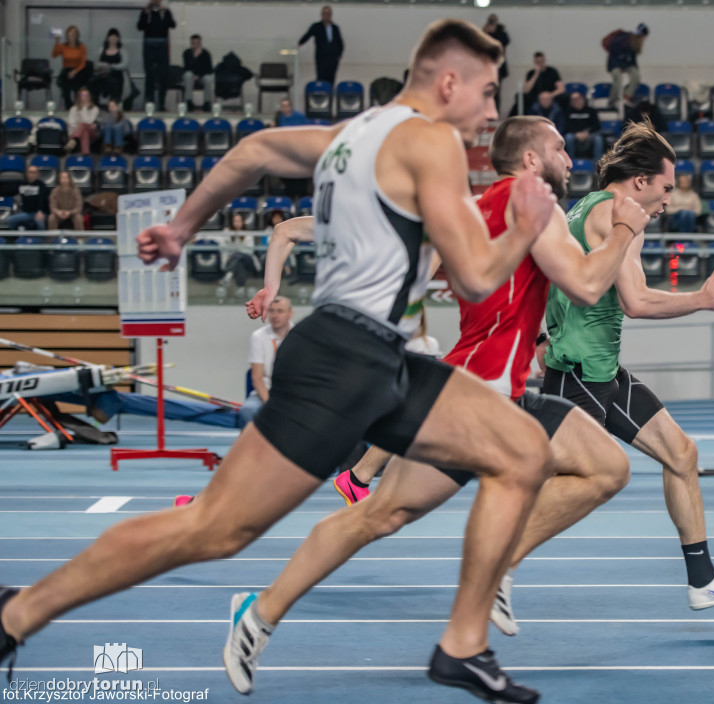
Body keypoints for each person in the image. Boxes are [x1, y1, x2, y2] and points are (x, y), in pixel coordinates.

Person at [0, 19, 560, 704]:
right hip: (344, 361)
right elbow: (476, 277)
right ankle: (17, 613)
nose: (492, 111)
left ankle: (462, 646)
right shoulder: (432, 138)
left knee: (523, 451)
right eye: (486, 91)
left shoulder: (355, 135)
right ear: (449, 82)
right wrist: (526, 229)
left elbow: (254, 149)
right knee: (213, 530)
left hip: (381, 357)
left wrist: (183, 226)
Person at [233, 114, 648, 694]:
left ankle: (260, 613)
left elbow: (384, 259)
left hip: (482, 392)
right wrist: (625, 230)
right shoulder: (534, 203)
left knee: (383, 515)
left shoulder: (469, 211)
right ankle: (469, 623)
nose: (569, 157)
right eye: (558, 148)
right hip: (478, 398)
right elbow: (584, 284)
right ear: (529, 160)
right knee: (580, 470)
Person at [542, 120, 714, 619]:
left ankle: (703, 581)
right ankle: (495, 563)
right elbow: (638, 301)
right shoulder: (616, 214)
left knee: (681, 453)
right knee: (567, 482)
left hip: (599, 369)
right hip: (579, 373)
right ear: (640, 181)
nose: (669, 200)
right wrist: (703, 299)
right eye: (666, 188)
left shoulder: (589, 206)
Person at [239, 295, 294, 426]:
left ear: (290, 314)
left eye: (280, 311)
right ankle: (253, 446)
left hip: (293, 394)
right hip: (265, 392)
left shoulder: (300, 335)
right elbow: (257, 378)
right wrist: (271, 405)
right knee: (247, 411)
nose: (275, 315)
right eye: (271, 310)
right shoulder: (258, 337)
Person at [137, 0, 176, 111]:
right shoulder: (146, 12)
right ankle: (150, 103)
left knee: (163, 75)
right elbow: (140, 26)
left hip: (162, 44)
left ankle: (161, 104)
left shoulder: (165, 11)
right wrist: (145, 14)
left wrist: (165, 13)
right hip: (149, 44)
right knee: (149, 75)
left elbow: (172, 25)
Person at [605, 23, 648, 109]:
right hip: (615, 63)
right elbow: (612, 48)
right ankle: (612, 102)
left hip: (626, 64)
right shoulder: (624, 38)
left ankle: (627, 94)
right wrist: (620, 62)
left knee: (636, 76)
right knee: (618, 80)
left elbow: (633, 60)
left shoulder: (635, 44)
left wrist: (634, 68)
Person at [299, 5, 344, 85]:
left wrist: (339, 54)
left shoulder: (335, 28)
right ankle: (320, 95)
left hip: (333, 59)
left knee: (331, 79)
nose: (327, 15)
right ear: (321, 14)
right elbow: (307, 36)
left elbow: (340, 42)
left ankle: (330, 95)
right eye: (325, 13)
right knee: (321, 79)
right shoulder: (316, 26)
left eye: (328, 14)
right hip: (321, 59)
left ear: (331, 15)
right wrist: (299, 44)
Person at [51, 25, 88, 110]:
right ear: (67, 34)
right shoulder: (63, 46)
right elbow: (54, 55)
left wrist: (74, 72)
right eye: (71, 32)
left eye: (75, 33)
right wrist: (56, 42)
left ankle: (78, 107)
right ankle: (68, 107)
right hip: (66, 70)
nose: (73, 34)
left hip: (79, 70)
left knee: (77, 87)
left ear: (77, 35)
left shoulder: (82, 46)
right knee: (65, 87)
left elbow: (83, 63)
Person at [6, 166, 49, 231]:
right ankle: (13, 239)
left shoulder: (41, 185)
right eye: (31, 172)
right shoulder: (22, 184)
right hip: (26, 213)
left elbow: (42, 199)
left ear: (37, 174)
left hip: (38, 213)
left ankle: (42, 239)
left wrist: (40, 211)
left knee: (40, 222)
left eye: (35, 172)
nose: (33, 174)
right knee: (9, 220)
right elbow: (10, 191)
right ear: (27, 174)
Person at [91, 28, 128, 103]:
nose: (113, 39)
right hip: (102, 77)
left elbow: (124, 65)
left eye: (115, 37)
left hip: (116, 78)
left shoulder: (122, 51)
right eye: (111, 37)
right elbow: (95, 64)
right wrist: (102, 65)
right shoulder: (101, 50)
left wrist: (111, 66)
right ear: (108, 38)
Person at [482, 14, 510, 111]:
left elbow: (504, 42)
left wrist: (494, 32)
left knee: (496, 91)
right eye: (490, 19)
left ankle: (495, 111)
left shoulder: (502, 33)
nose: (491, 21)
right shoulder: (485, 31)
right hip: (486, 65)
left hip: (498, 66)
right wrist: (485, 31)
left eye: (493, 20)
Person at [564, 91, 602, 159]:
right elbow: (566, 126)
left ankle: (598, 163)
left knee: (598, 139)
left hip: (589, 134)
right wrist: (576, 133)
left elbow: (597, 125)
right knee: (568, 137)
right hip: (574, 135)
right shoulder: (568, 111)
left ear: (582, 99)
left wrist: (587, 133)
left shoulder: (591, 111)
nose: (576, 101)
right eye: (573, 100)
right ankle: (570, 162)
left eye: (577, 99)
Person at [182, 34, 215, 112]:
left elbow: (209, 69)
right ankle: (188, 101)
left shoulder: (206, 53)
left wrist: (199, 75)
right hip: (191, 76)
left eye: (197, 43)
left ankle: (207, 102)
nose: (195, 45)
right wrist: (194, 57)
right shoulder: (187, 53)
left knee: (208, 79)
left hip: (202, 76)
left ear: (200, 43)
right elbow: (187, 67)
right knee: (188, 75)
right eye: (193, 43)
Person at [65, 88, 99, 155]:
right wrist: (80, 126)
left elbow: (89, 122)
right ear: (79, 97)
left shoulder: (95, 109)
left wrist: (84, 108)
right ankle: (85, 154)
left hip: (91, 133)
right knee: (84, 131)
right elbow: (71, 123)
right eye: (83, 95)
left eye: (87, 96)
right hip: (76, 131)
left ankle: (73, 140)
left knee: (84, 125)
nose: (85, 98)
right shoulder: (73, 108)